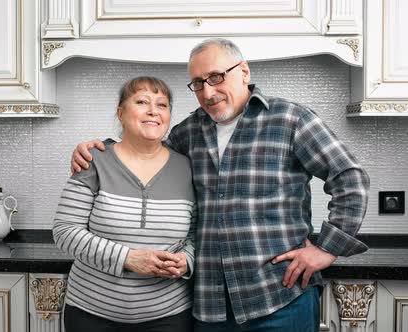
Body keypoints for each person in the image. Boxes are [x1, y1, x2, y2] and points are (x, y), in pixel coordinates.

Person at [70, 38, 370, 332]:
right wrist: (101, 150)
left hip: (280, 297)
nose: (208, 91)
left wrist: (327, 249)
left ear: (244, 72)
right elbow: (145, 149)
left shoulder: (290, 119)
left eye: (216, 77)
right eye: (198, 83)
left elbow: (349, 177)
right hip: (210, 306)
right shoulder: (187, 132)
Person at [53, 76, 197, 332]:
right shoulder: (93, 161)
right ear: (120, 113)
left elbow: (196, 234)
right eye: (142, 101)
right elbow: (65, 232)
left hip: (169, 316)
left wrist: (186, 260)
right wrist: (127, 258)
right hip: (91, 313)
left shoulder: (187, 167)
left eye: (162, 105)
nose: (153, 110)